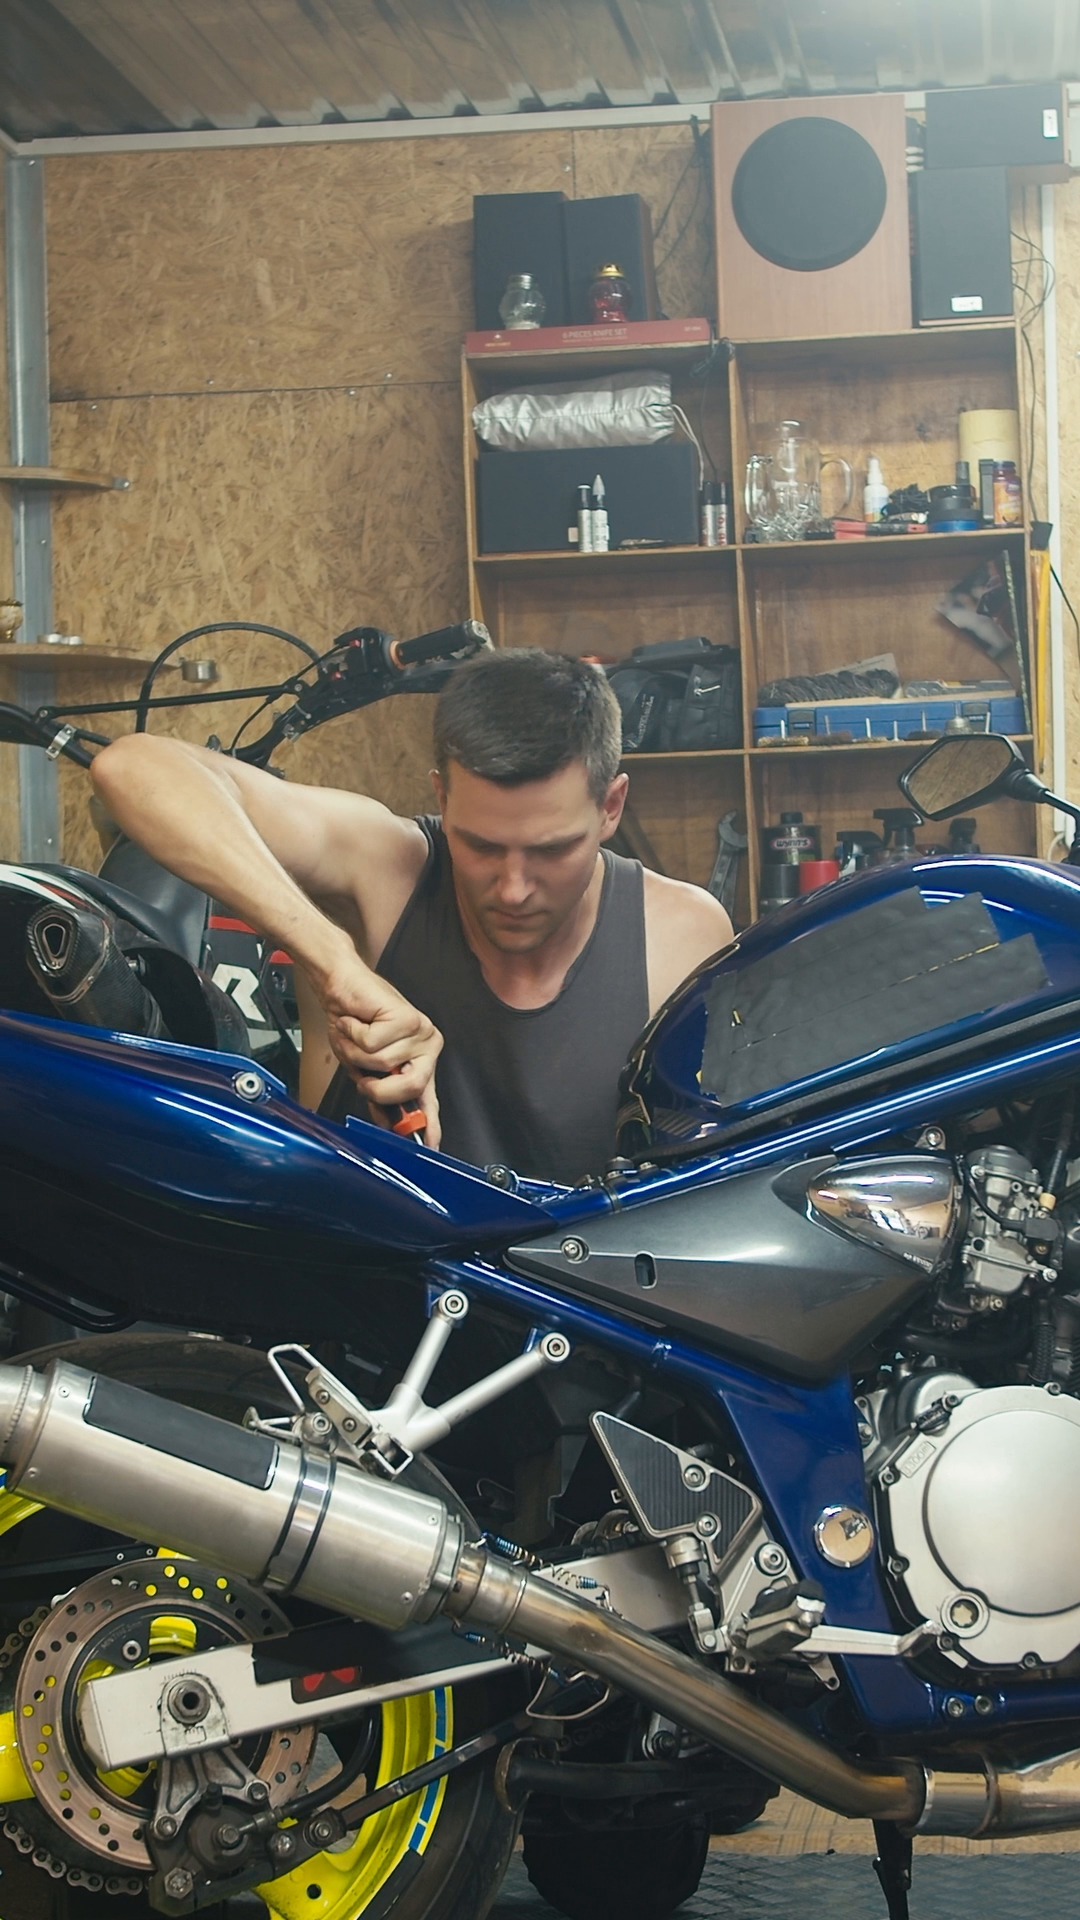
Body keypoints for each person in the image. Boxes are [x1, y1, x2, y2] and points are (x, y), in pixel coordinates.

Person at [91, 648, 733, 1185]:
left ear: (611, 806)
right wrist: (337, 963)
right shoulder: (383, 870)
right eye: (481, 846)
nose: (513, 890)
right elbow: (132, 768)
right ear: (441, 796)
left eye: (551, 850)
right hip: (363, 1285)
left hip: (568, 1296)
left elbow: (713, 1178)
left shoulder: (682, 933)